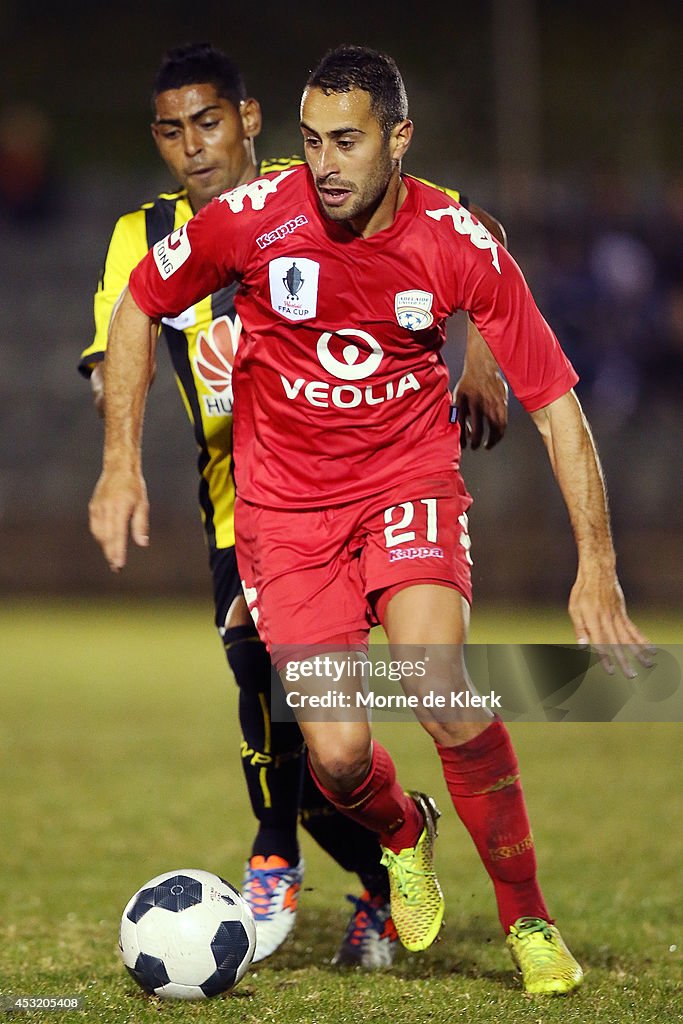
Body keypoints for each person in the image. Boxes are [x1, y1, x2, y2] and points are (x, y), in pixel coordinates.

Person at [91, 43, 653, 995]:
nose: (325, 164)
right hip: (285, 512)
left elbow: (558, 405)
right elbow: (141, 305)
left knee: (439, 687)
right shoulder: (257, 220)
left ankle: (528, 920)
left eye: (346, 141)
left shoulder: (455, 240)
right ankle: (405, 830)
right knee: (340, 756)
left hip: (406, 484)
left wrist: (593, 565)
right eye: (311, 142)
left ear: (399, 140)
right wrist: (118, 467)